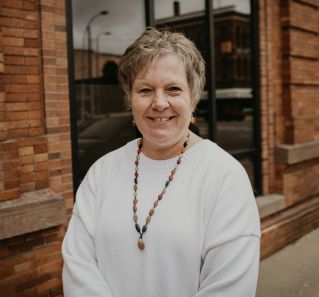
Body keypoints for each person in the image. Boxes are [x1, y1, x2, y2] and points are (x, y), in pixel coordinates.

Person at [62, 28, 261, 297]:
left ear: (193, 96)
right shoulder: (101, 172)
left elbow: (228, 288)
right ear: (129, 99)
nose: (159, 103)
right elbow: (79, 267)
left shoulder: (224, 176)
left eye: (173, 89)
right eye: (145, 90)